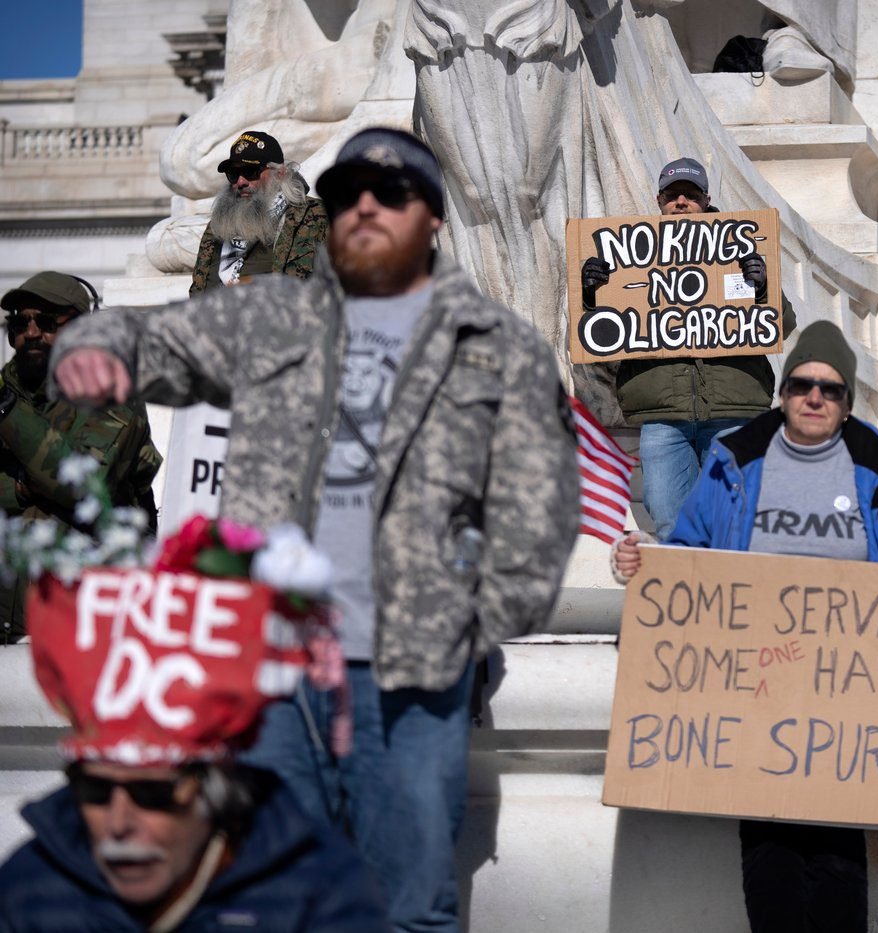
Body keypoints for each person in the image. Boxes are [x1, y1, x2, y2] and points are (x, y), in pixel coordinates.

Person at [50, 127, 580, 933]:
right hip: (273, 673)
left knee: (410, 904)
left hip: (409, 676)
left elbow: (542, 507)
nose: (366, 205)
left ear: (433, 219)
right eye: (347, 194)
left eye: (392, 192)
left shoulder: (496, 346)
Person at [613, 320, 878, 933]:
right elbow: (691, 549)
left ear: (847, 403)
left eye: (830, 390)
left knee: (838, 864)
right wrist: (644, 560)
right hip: (757, 689)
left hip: (849, 702)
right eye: (802, 384)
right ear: (781, 393)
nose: (814, 397)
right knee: (769, 859)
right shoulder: (735, 460)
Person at [0, 557, 388, 931]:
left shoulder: (321, 895)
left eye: (152, 795)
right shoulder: (29, 890)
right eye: (94, 790)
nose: (118, 825)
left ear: (216, 793)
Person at [582, 156, 797, 540]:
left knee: (733, 520)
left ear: (707, 199)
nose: (681, 202)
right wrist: (592, 294)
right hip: (663, 418)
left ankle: (731, 596)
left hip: (734, 413)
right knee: (668, 521)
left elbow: (784, 323)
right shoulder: (627, 258)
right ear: (659, 200)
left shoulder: (739, 250)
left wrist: (762, 287)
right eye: (672, 194)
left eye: (691, 194)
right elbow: (600, 334)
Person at [0, 272, 161, 645]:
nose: (32, 332)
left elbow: (84, 486)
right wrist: (25, 487)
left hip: (86, 622)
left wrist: (7, 414)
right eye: (21, 322)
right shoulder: (7, 391)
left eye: (47, 321)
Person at [189, 130, 329, 294]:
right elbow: (199, 290)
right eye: (233, 174)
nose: (241, 182)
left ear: (280, 173)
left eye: (250, 172)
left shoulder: (315, 217)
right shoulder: (219, 226)